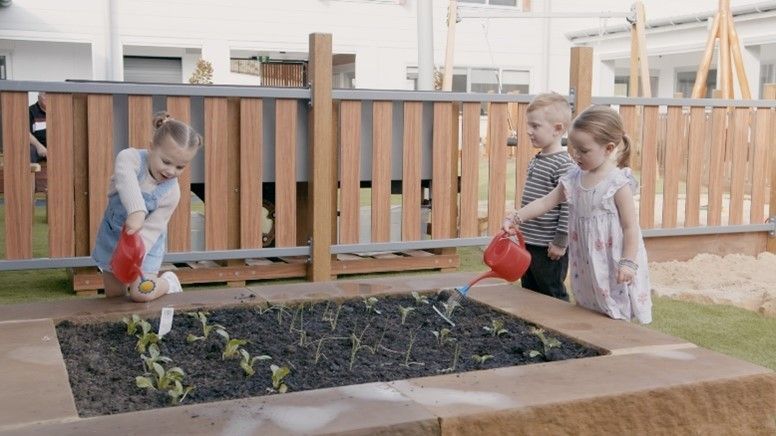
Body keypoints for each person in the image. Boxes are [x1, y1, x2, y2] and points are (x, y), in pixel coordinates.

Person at [503, 106, 652, 324]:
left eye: (584, 151)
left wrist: (628, 262)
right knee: (589, 304)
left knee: (615, 306)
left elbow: (630, 228)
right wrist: (516, 217)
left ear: (608, 148)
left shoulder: (618, 183)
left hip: (613, 258)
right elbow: (546, 201)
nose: (576, 156)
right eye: (574, 149)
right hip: (587, 259)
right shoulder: (574, 177)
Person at [92, 112, 202, 302]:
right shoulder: (130, 159)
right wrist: (137, 211)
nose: (170, 171)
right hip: (114, 235)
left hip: (144, 245)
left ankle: (169, 282)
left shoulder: (171, 192)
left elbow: (154, 227)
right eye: (166, 162)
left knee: (141, 293)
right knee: (114, 295)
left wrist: (133, 255)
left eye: (180, 167)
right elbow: (126, 182)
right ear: (151, 148)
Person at [516, 92, 575, 301]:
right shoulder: (538, 159)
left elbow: (568, 206)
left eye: (535, 126)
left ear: (558, 129)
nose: (528, 131)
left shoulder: (564, 164)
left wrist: (560, 241)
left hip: (549, 247)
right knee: (529, 290)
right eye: (528, 125)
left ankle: (561, 330)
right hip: (529, 241)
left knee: (551, 292)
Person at [29, 91, 48, 163]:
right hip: (37, 147)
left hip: (54, 146)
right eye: (45, 95)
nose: (47, 98)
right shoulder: (30, 111)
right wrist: (38, 146)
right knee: (30, 151)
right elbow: (25, 132)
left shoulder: (57, 111)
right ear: (38, 97)